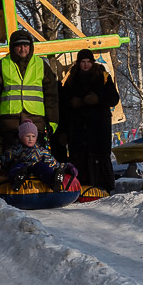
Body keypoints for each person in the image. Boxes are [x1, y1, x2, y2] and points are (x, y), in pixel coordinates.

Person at [0, 29, 60, 154]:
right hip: (10, 122)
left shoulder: (41, 65)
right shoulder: (1, 66)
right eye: (19, 46)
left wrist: (53, 120)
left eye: (26, 45)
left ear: (31, 47)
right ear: (12, 47)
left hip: (36, 121)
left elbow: (51, 95)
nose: (23, 49)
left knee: (37, 160)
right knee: (11, 160)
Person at [59, 49, 120, 191]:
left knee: (99, 156)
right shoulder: (72, 79)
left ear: (92, 62)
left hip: (99, 125)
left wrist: (98, 100)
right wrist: (72, 103)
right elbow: (64, 106)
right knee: (80, 155)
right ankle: (80, 186)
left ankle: (103, 186)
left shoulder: (103, 76)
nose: (86, 65)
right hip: (78, 126)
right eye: (83, 62)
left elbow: (114, 98)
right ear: (78, 63)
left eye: (88, 62)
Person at [0, 121, 67, 190]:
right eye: (27, 136)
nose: (31, 139)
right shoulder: (15, 150)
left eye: (33, 136)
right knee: (17, 167)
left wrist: (67, 167)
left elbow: (53, 163)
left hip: (36, 169)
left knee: (42, 166)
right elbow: (1, 162)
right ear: (21, 137)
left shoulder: (41, 151)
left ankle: (54, 181)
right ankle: (17, 180)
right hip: (22, 169)